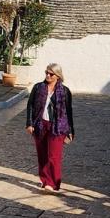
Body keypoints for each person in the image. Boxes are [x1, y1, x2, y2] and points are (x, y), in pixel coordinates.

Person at [25, 63, 74, 191]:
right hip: (40, 124)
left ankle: (53, 183)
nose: (48, 75)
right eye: (46, 72)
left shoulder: (65, 91)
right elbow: (30, 105)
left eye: (51, 74)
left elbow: (68, 112)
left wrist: (70, 130)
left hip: (58, 127)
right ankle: (45, 181)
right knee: (42, 155)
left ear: (58, 76)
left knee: (54, 156)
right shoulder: (38, 87)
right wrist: (29, 123)